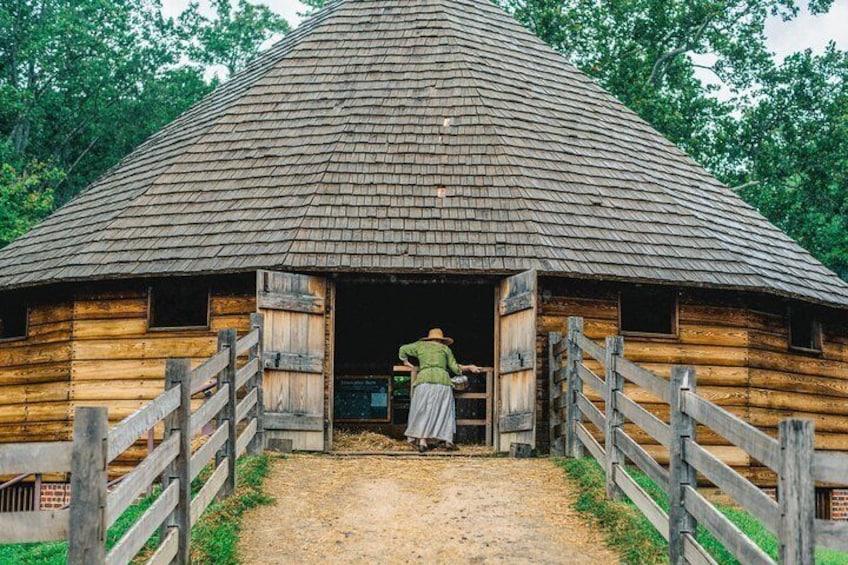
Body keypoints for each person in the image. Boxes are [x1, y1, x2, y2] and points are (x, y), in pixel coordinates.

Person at [399, 328, 480, 452]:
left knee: (423, 410)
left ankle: (422, 441)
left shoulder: (420, 346)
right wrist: (469, 367)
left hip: (424, 380)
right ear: (442, 340)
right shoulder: (445, 349)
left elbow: (403, 349)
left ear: (429, 338)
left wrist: (405, 361)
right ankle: (448, 441)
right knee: (444, 410)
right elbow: (455, 368)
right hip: (442, 381)